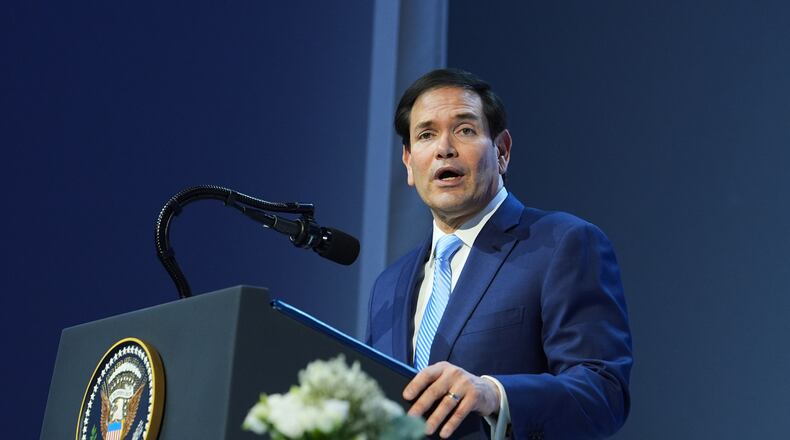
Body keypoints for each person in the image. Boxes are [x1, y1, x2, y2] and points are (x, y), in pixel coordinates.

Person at [365, 69, 633, 440]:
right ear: (409, 163)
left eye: (465, 130)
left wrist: (495, 393)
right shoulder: (388, 285)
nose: (444, 148)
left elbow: (604, 392)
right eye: (426, 135)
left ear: (502, 151)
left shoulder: (562, 243)